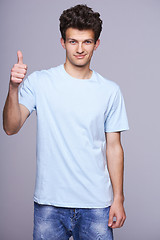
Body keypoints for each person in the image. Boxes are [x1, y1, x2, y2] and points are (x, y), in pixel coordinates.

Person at [3, 4, 129, 240]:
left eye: (87, 42)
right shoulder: (40, 82)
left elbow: (114, 147)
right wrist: (13, 89)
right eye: (73, 41)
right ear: (62, 42)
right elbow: (10, 127)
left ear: (96, 44)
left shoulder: (110, 91)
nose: (80, 49)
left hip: (96, 205)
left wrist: (118, 198)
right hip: (49, 205)